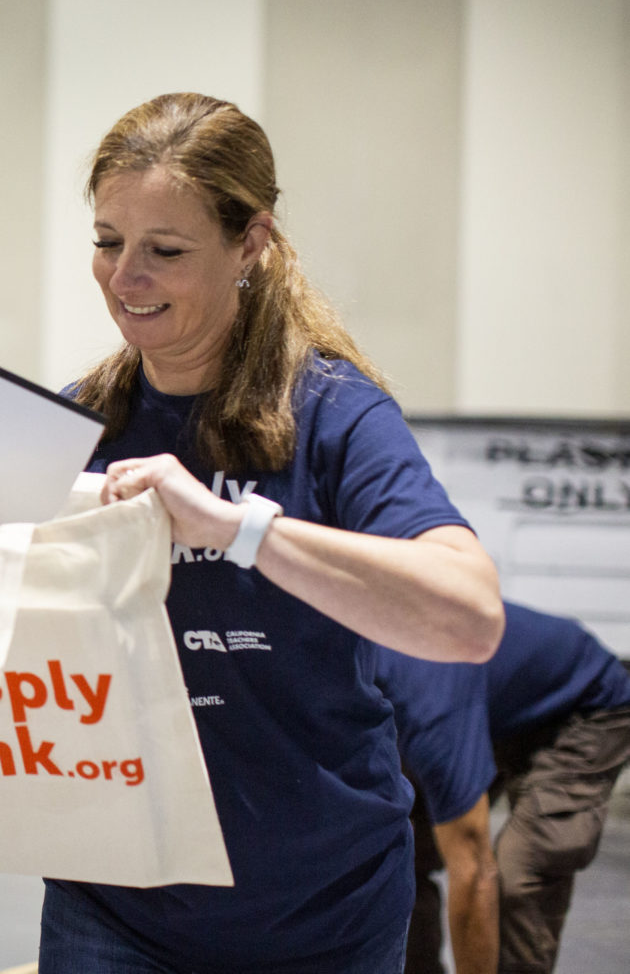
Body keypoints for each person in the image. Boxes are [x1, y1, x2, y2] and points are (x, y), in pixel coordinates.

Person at [44, 92, 505, 973]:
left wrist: (235, 528)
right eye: (107, 243)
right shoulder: (79, 422)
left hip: (318, 912)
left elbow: (469, 615)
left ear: (249, 243)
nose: (123, 278)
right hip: (113, 910)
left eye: (164, 251)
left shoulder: (334, 415)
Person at [376, 600, 630, 974]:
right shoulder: (346, 670)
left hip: (585, 704)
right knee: (397, 857)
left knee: (521, 869)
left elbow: (474, 871)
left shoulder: (428, 700)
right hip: (492, 706)